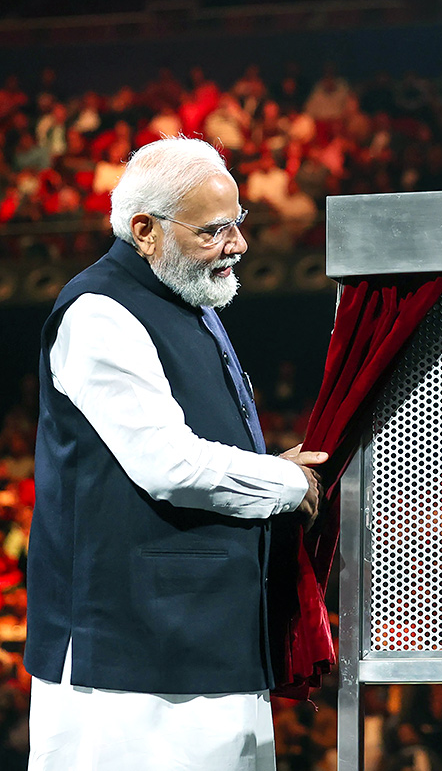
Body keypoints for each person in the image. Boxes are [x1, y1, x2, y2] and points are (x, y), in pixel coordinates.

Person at [25, 136, 328, 770]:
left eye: (239, 223)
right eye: (214, 230)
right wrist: (284, 481)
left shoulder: (186, 298)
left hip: (205, 635)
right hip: (131, 659)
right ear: (145, 230)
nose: (238, 244)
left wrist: (277, 469)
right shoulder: (99, 312)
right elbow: (171, 465)